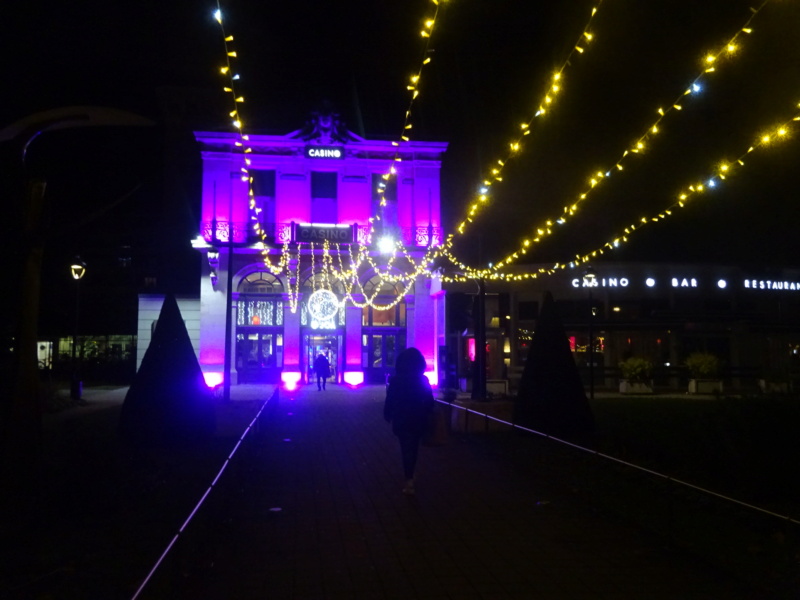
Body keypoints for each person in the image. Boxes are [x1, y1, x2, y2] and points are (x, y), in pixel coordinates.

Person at [383, 347, 434, 495]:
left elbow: (390, 399)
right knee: (414, 446)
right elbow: (429, 400)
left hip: (402, 417)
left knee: (405, 447)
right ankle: (410, 474)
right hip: (418, 417)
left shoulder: (396, 381)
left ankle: (409, 477)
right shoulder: (422, 380)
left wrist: (387, 413)